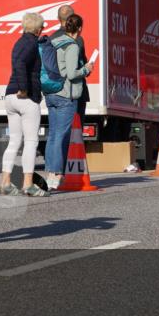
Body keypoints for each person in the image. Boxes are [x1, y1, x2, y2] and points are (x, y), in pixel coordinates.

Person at [0, 12, 47, 197]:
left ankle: (5, 182)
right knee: (31, 141)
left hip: (10, 97)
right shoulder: (31, 44)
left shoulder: (19, 42)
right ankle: (28, 184)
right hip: (25, 97)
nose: (42, 30)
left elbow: (18, 62)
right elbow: (20, 64)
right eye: (41, 27)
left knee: (15, 140)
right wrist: (25, 89)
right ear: (37, 28)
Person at [44, 14, 94, 190]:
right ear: (79, 28)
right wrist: (86, 69)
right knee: (61, 136)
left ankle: (50, 173)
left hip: (51, 93)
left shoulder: (56, 42)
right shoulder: (72, 46)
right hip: (66, 95)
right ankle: (56, 174)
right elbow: (72, 74)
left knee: (53, 135)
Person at [49, 4, 90, 118]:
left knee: (56, 129)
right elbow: (79, 66)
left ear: (58, 18)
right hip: (72, 92)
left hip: (54, 90)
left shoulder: (52, 39)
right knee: (73, 131)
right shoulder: (76, 40)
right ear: (73, 19)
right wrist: (87, 69)